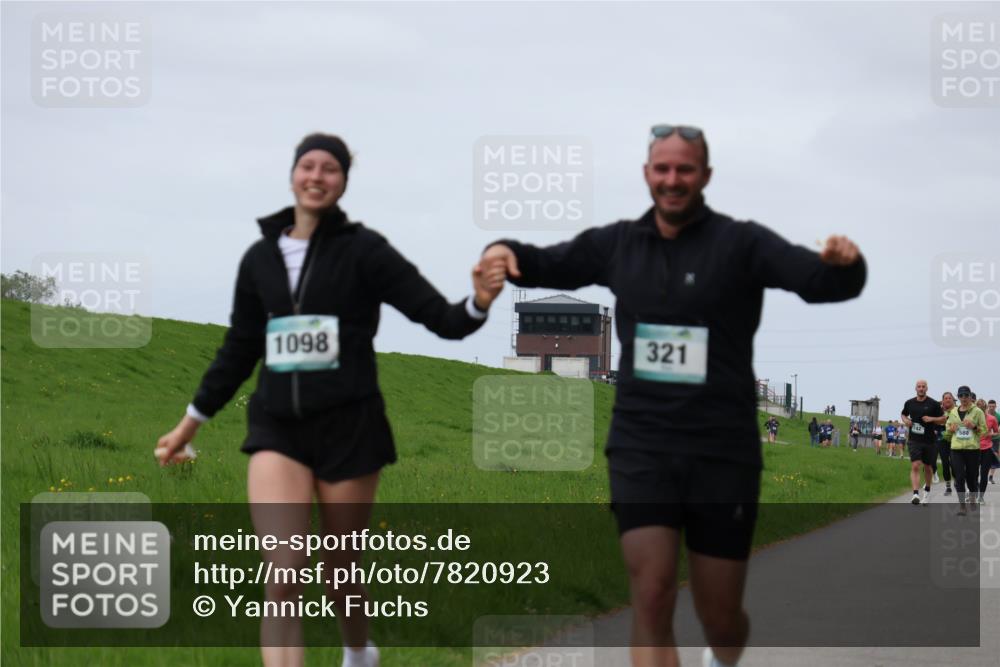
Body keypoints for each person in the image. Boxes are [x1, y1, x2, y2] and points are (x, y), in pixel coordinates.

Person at [477, 124, 866, 667]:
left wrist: (847, 265)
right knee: (652, 593)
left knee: (721, 617)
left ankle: (720, 655)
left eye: (685, 169)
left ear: (705, 175)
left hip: (721, 450)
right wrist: (503, 249)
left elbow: (820, 281)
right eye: (662, 169)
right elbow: (548, 260)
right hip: (643, 444)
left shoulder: (742, 243)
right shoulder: (616, 244)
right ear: (646, 174)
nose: (673, 179)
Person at [154, 133, 506, 667]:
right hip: (277, 428)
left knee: (339, 564)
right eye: (308, 166)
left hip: (350, 428)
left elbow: (439, 318)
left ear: (343, 182)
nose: (317, 177)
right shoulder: (260, 259)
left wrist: (478, 302)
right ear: (293, 174)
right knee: (284, 572)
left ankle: (359, 651)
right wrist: (189, 424)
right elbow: (239, 348)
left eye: (330, 169)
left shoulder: (366, 251)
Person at [900, 380, 945, 505]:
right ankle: (915, 494)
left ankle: (927, 490)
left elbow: (943, 420)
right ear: (915, 388)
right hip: (914, 440)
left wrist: (932, 419)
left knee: (928, 467)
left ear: (927, 388)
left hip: (929, 441)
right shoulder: (909, 403)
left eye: (923, 386)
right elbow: (903, 414)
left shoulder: (934, 404)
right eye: (919, 386)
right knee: (915, 465)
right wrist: (906, 420)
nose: (921, 388)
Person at [946, 386, 989, 516]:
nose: (964, 398)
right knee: (959, 477)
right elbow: (947, 427)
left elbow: (985, 431)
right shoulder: (953, 411)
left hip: (972, 449)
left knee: (972, 477)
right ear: (958, 397)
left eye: (966, 395)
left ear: (970, 396)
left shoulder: (977, 412)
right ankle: (962, 506)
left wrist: (974, 426)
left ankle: (972, 498)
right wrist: (951, 429)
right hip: (956, 448)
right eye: (961, 396)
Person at [976, 398, 999, 503]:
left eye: (982, 408)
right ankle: (975, 492)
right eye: (978, 408)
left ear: (985, 408)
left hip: (987, 448)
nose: (980, 411)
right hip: (973, 449)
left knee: (984, 474)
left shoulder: (992, 418)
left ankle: (981, 497)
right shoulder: (972, 418)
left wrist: (990, 434)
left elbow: (997, 432)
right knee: (973, 474)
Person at [936, 391, 957, 496]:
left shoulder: (957, 411)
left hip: (955, 440)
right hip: (942, 440)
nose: (948, 399)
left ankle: (957, 481)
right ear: (943, 401)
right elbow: (934, 424)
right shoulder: (939, 412)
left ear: (953, 400)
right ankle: (948, 487)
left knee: (954, 463)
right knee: (945, 463)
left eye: (950, 398)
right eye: (946, 398)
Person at [988, 399, 999, 484]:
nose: (991, 408)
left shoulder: (998, 416)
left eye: (993, 406)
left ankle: (991, 476)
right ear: (988, 406)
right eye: (990, 406)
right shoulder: (984, 414)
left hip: (995, 439)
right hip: (986, 439)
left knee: (995, 455)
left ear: (996, 406)